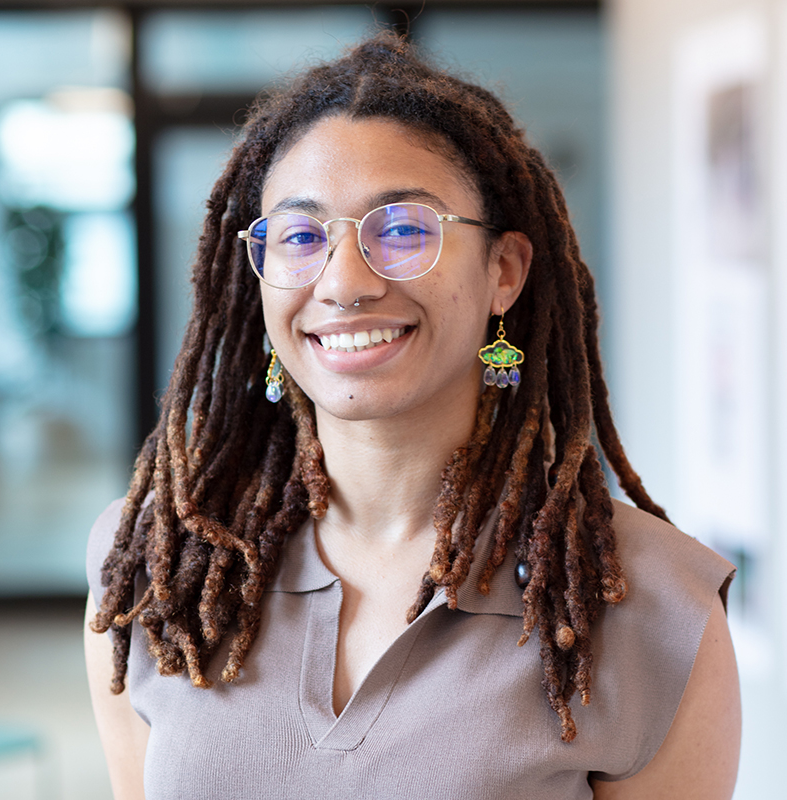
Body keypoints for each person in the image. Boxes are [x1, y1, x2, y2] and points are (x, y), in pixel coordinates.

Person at [84, 32, 740, 800]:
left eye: (402, 230)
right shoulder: (155, 572)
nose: (344, 282)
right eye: (300, 235)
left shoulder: (655, 605)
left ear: (504, 272)